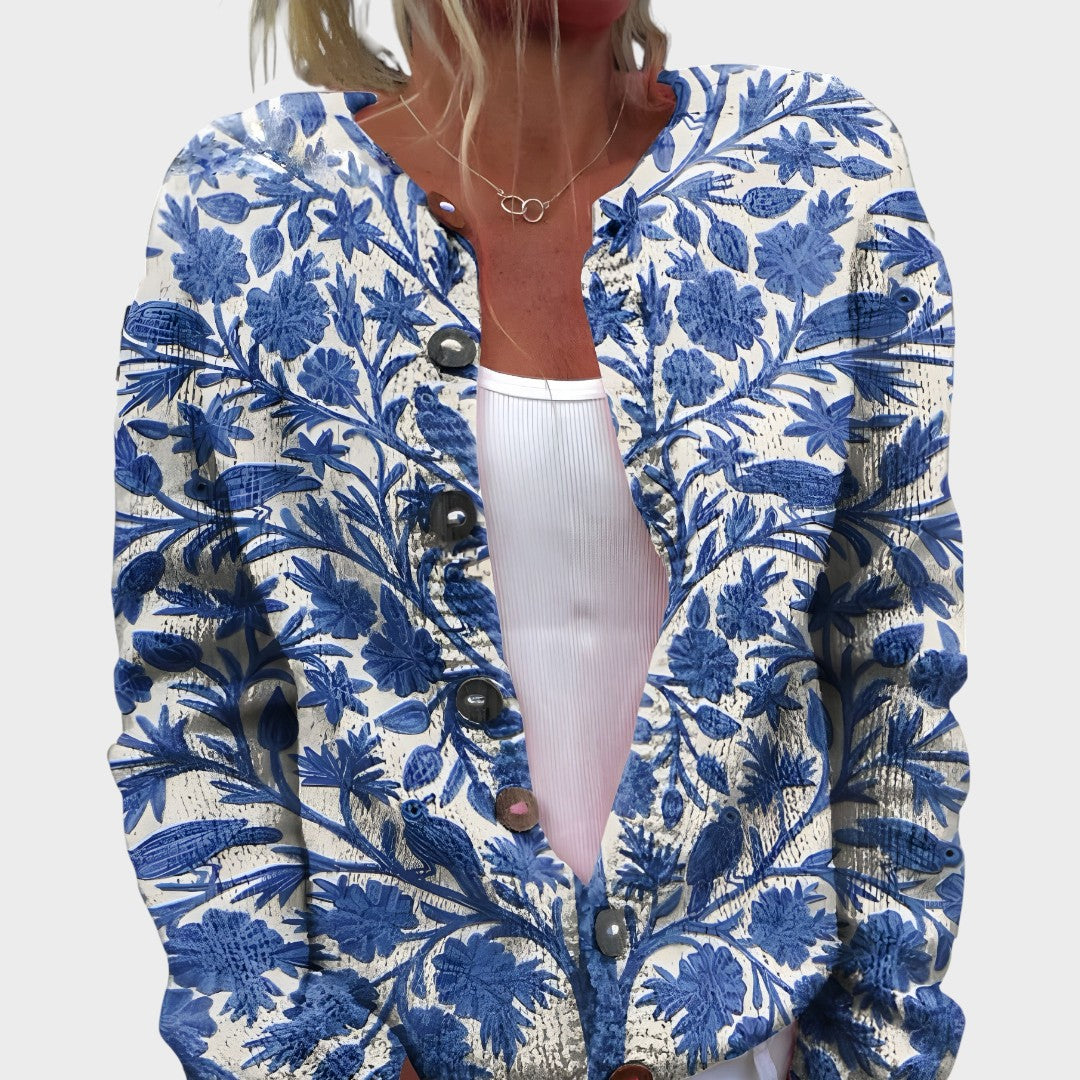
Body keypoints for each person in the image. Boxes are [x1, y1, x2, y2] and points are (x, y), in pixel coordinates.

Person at [106, 2, 970, 1079]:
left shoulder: (818, 172)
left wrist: (880, 1052)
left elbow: (895, 651)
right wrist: (295, 1056)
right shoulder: (242, 204)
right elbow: (192, 685)